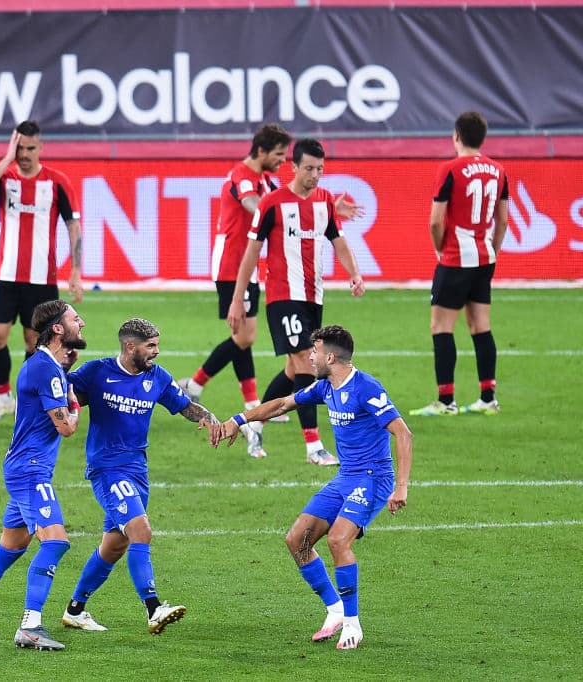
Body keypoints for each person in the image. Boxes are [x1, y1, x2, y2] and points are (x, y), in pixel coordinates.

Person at [208, 325, 412, 650]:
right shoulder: (324, 388)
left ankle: (352, 624)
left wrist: (400, 487)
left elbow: (403, 433)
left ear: (330, 356)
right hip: (346, 477)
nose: (309, 356)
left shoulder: (366, 388)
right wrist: (239, 420)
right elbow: (281, 405)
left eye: (314, 351)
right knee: (297, 540)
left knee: (337, 540)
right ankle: (334, 610)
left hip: (373, 477)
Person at [61, 318, 220, 635]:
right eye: (150, 346)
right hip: (107, 468)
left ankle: (75, 611)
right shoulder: (97, 373)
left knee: (114, 546)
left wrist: (209, 417)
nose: (156, 352)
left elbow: (184, 404)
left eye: (157, 345)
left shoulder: (157, 377)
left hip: (137, 471)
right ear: (130, 346)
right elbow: (61, 391)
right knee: (140, 530)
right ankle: (153, 608)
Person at [0, 299, 85, 651]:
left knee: (12, 545)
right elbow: (66, 428)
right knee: (55, 542)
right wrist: (76, 404)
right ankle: (31, 626)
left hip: (25, 466)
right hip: (31, 470)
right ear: (57, 329)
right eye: (72, 318)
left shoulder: (48, 365)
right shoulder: (45, 370)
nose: (79, 321)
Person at [227, 138, 365, 466]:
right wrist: (237, 299)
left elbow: (339, 242)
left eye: (320, 169)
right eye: (309, 168)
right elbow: (251, 253)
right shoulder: (272, 203)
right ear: (294, 167)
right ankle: (313, 446)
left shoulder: (325, 201)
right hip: (281, 295)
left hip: (312, 296)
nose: (315, 175)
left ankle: (254, 420)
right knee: (306, 360)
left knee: (293, 368)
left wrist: (354, 274)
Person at [177, 124, 292, 457]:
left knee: (244, 336)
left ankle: (247, 401)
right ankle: (195, 385)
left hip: (248, 265)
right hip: (232, 264)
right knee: (244, 336)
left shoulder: (265, 179)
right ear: (261, 151)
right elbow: (251, 203)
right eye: (279, 154)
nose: (283, 160)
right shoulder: (243, 175)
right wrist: (280, 216)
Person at [0, 121, 84, 428]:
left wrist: (75, 271)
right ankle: (2, 399)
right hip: (6, 275)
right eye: (20, 147)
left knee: (34, 342)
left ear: (41, 147)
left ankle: (25, 400)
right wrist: (6, 159)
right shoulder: (4, 179)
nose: (24, 153)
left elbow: (73, 227)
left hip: (42, 279)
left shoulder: (57, 182)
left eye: (30, 148)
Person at [410, 111, 509, 417]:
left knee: (441, 327)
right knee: (481, 326)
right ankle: (488, 397)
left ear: (456, 136)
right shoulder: (498, 170)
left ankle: (446, 400)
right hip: (484, 257)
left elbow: (436, 222)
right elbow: (502, 221)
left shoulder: (449, 169)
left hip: (455, 258)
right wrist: (491, 250)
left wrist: (441, 250)